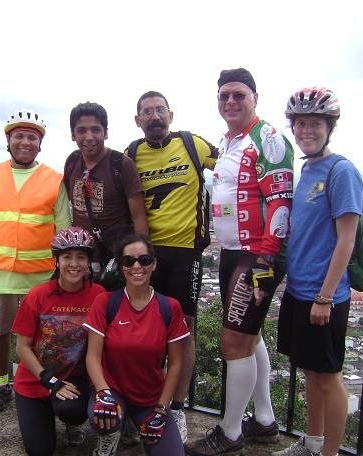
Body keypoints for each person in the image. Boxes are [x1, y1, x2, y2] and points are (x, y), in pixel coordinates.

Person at [186, 68, 294, 455]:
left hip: (256, 256)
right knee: (250, 338)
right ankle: (264, 422)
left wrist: (266, 261)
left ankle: (230, 433)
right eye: (223, 96)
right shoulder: (230, 141)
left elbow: (281, 202)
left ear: (254, 98)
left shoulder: (268, 139)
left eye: (238, 95)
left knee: (234, 343)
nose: (230, 102)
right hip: (234, 253)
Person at [0, 109, 70, 414]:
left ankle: (40, 383)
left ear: (40, 144)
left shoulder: (53, 179)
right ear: (8, 141)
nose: (25, 142)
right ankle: (0, 385)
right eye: (19, 136)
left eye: (31, 137)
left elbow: (63, 229)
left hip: (40, 275)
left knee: (44, 336)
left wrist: (62, 270)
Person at [272, 87, 362, 456]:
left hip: (323, 295)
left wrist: (325, 297)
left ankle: (330, 452)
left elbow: (346, 240)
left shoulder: (342, 171)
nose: (307, 130)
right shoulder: (308, 168)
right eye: (301, 123)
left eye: (315, 123)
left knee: (329, 378)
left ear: (330, 126)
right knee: (309, 371)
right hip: (300, 289)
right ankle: (311, 442)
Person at [126, 91, 219, 442]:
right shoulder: (131, 154)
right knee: (143, 330)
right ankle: (143, 405)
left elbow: (233, 169)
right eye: (146, 112)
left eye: (159, 110)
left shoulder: (193, 144)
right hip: (146, 255)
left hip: (185, 253)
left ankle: (175, 408)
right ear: (137, 120)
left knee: (184, 331)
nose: (154, 116)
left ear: (171, 114)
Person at [83, 233, 190, 456]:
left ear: (154, 264)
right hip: (113, 391)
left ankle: (133, 424)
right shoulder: (106, 302)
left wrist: (161, 410)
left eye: (144, 260)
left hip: (149, 397)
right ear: (121, 267)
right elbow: (92, 356)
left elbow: (176, 363)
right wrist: (103, 393)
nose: (136, 266)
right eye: (128, 261)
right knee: (103, 418)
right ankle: (112, 432)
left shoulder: (169, 307)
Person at [12, 227, 106, 455]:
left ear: (89, 262)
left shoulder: (98, 296)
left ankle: (68, 423)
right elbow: (22, 347)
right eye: (67, 257)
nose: (74, 264)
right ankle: (42, 416)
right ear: (57, 261)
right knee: (40, 451)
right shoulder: (38, 295)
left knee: (73, 410)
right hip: (35, 381)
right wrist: (50, 381)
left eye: (81, 257)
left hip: (72, 379)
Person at [63, 102, 148, 283]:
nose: (89, 137)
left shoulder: (121, 165)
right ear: (72, 134)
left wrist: (140, 259)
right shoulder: (72, 162)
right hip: (83, 254)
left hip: (116, 254)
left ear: (106, 132)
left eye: (96, 129)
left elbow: (139, 217)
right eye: (81, 131)